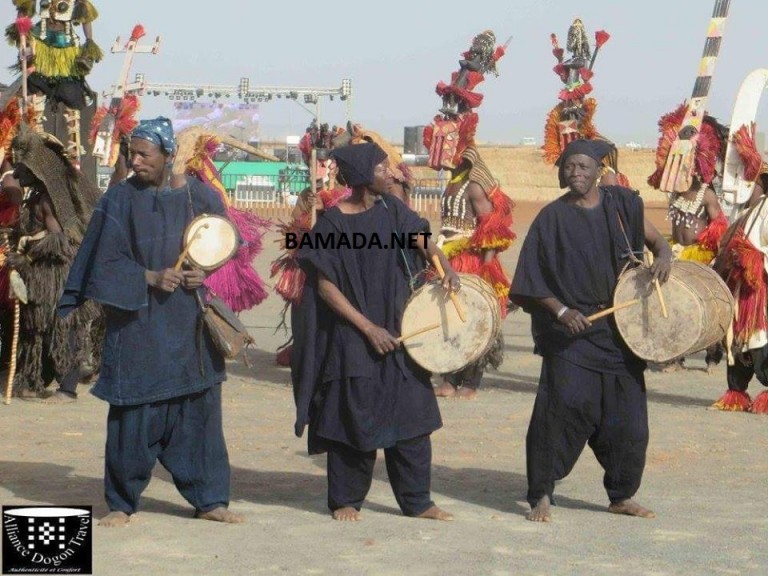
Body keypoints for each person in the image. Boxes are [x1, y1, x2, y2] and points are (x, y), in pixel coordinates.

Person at [58, 117, 243, 526]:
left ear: (167, 155)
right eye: (130, 153)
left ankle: (210, 500)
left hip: (188, 328)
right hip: (137, 328)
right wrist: (149, 277)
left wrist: (202, 272)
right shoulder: (118, 200)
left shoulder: (199, 196)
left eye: (144, 154)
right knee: (132, 417)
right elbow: (100, 264)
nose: (134, 160)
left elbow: (224, 241)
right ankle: (122, 503)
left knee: (199, 415)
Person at [510, 138, 673, 523]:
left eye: (583, 167)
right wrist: (561, 310)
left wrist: (664, 255)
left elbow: (656, 241)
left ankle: (621, 494)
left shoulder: (622, 206)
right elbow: (529, 279)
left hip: (620, 332)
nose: (575, 174)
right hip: (572, 336)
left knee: (629, 420)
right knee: (559, 410)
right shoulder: (551, 218)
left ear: (599, 170)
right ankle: (542, 493)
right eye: (569, 167)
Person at [292, 141, 456, 522]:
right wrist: (367, 329)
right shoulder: (332, 224)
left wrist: (442, 262)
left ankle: (418, 500)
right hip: (354, 335)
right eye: (382, 169)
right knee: (354, 418)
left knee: (413, 417)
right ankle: (346, 499)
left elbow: (420, 236)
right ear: (364, 176)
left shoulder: (391, 209)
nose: (391, 174)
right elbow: (325, 286)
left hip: (401, 330)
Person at [8, 129, 101, 403]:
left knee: (63, 328)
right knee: (36, 328)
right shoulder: (35, 196)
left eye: (22, 168)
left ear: (36, 169)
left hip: (57, 273)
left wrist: (26, 253)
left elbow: (57, 239)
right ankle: (35, 380)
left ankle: (68, 387)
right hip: (40, 274)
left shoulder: (47, 200)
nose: (16, 174)